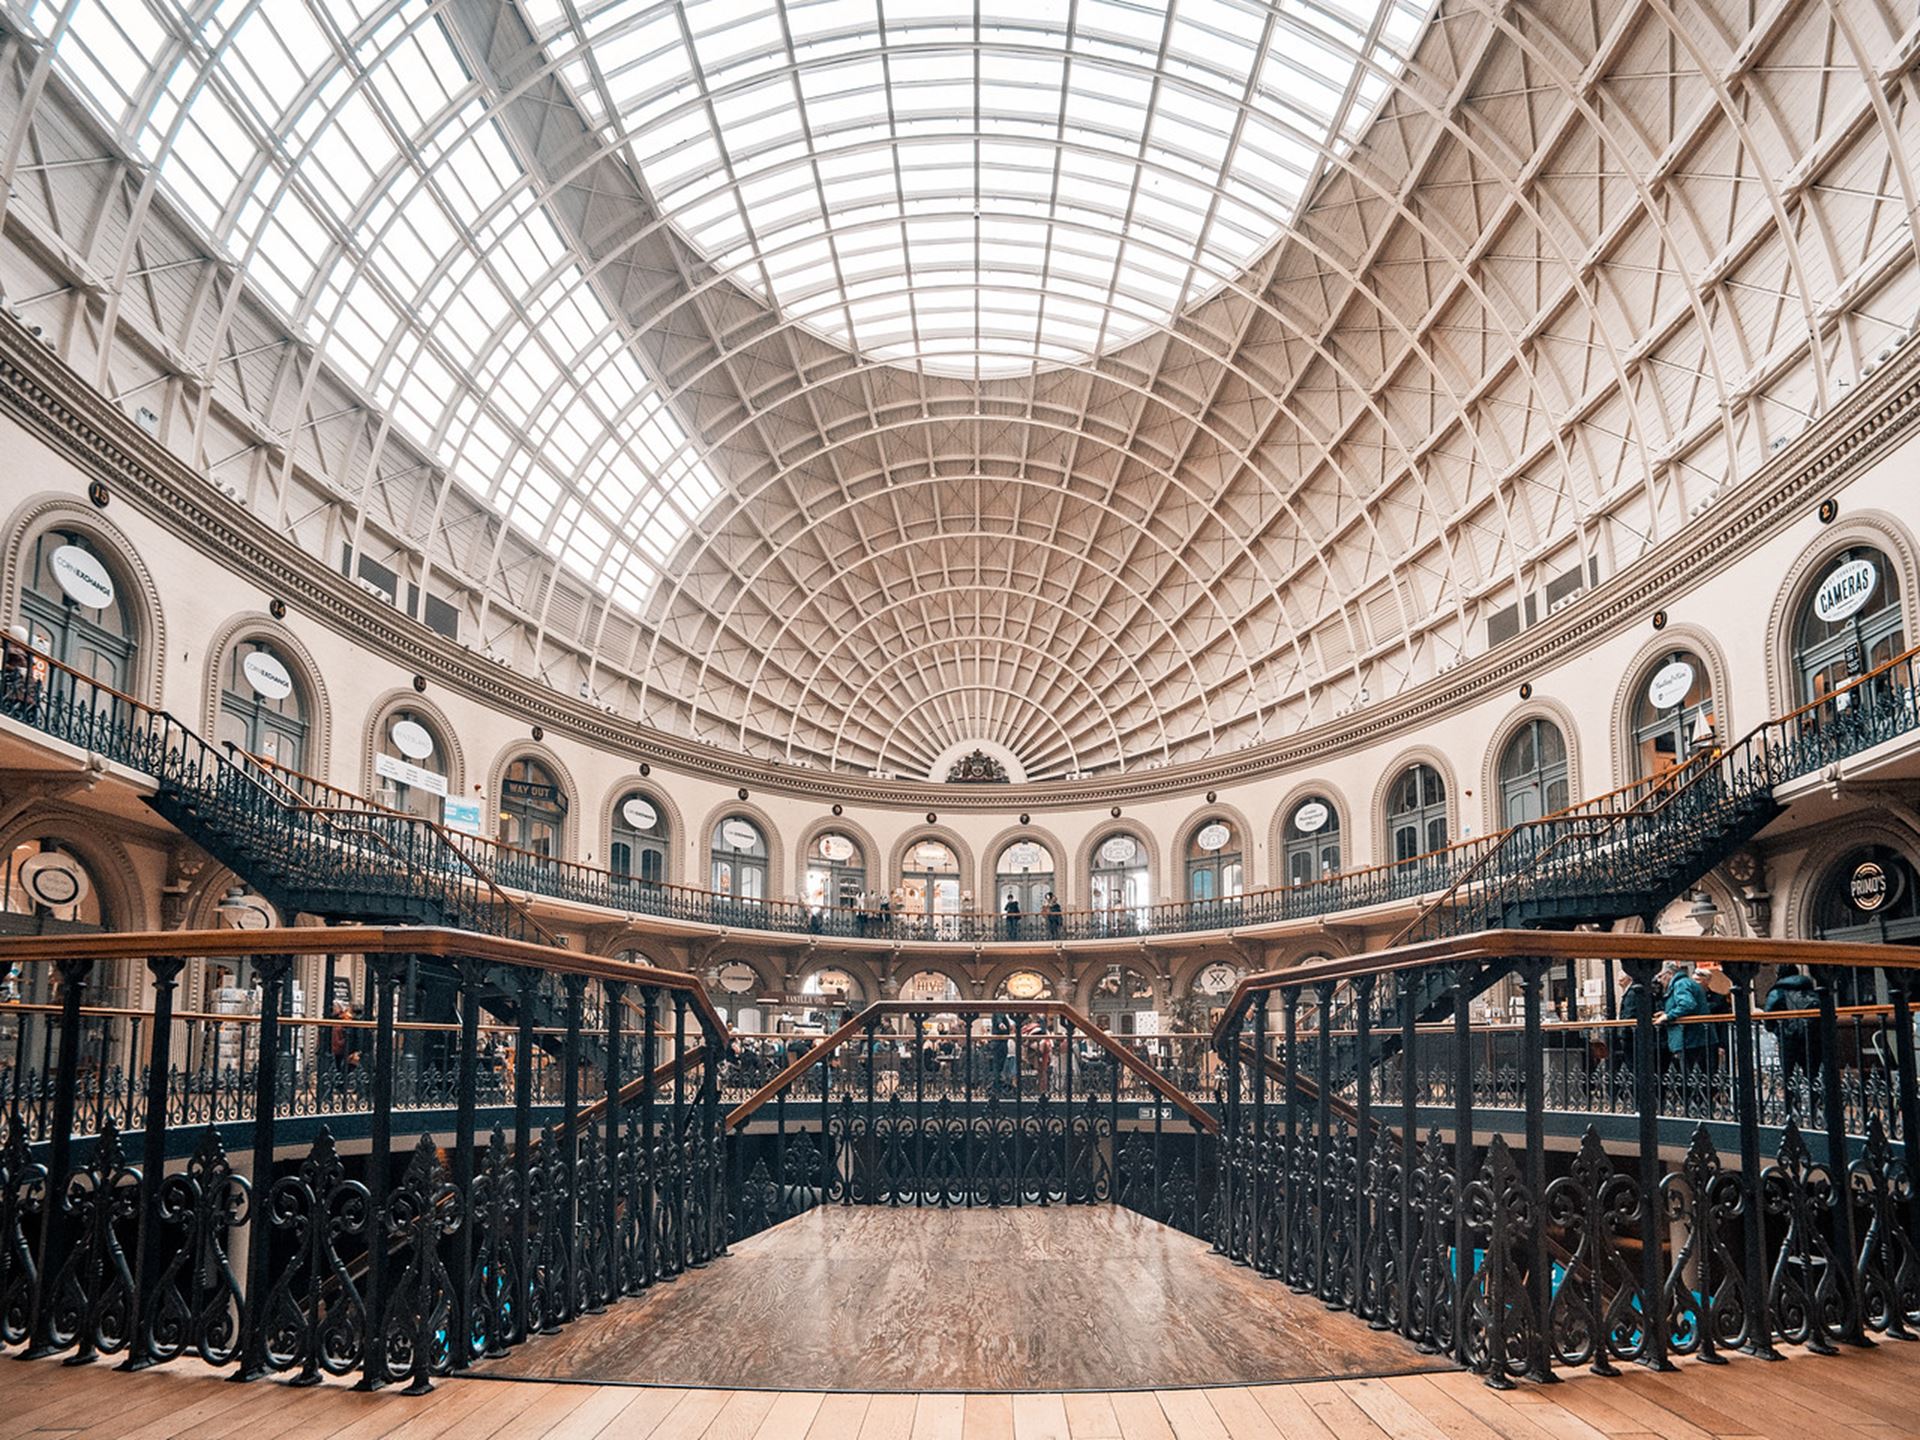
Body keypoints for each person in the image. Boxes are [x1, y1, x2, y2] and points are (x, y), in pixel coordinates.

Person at [1764, 964, 1822, 1094]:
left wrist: (1776, 1030)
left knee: (1788, 1075)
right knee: (1812, 1073)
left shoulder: (1777, 992)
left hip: (1788, 1037)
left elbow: (1768, 1016)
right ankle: (1816, 1105)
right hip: (1812, 1036)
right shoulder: (1809, 988)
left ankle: (1791, 1107)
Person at [1656, 963, 1717, 1080]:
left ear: (1669, 974)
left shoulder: (1680, 984)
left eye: (1660, 976)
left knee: (1693, 1078)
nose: (1659, 980)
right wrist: (1666, 1013)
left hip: (1690, 1039)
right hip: (1695, 1038)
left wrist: (1668, 1016)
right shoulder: (1685, 983)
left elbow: (1687, 1004)